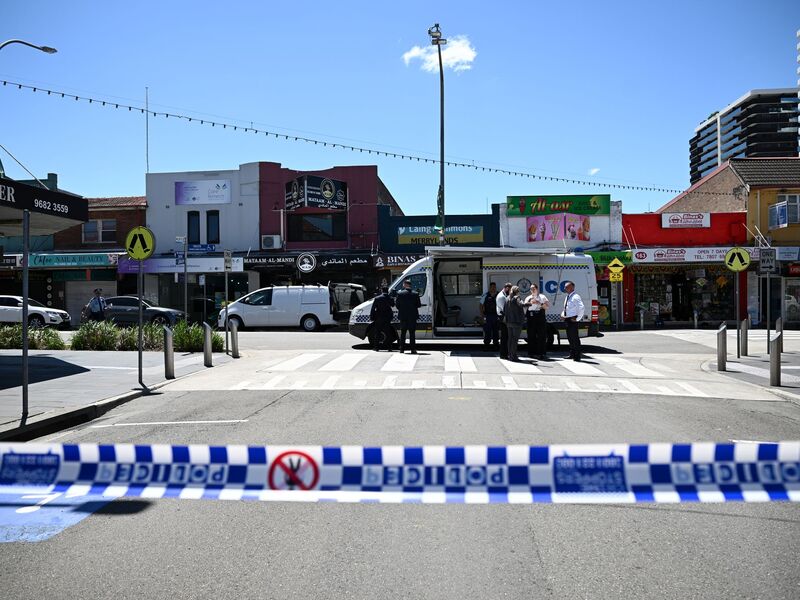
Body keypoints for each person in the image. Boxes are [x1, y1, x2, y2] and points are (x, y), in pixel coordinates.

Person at [395, 279, 421, 353]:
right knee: (412, 333)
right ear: (410, 285)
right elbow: (418, 305)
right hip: (412, 317)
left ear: (405, 284)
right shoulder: (415, 294)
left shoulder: (400, 294)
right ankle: (413, 349)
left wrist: (403, 309)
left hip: (403, 316)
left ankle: (402, 349)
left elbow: (397, 305)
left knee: (403, 333)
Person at [525, 284, 551, 360]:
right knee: (531, 335)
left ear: (537, 289)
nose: (532, 290)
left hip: (540, 316)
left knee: (542, 335)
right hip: (531, 317)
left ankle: (542, 353)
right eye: (531, 289)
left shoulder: (542, 297)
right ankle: (531, 353)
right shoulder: (528, 297)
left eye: (533, 288)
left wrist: (539, 303)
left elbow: (547, 307)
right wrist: (529, 303)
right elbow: (524, 307)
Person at [561, 281, 585, 361]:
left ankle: (577, 356)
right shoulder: (568, 296)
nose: (565, 288)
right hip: (568, 319)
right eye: (565, 287)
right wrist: (563, 315)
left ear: (572, 288)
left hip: (573, 320)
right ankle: (572, 354)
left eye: (566, 287)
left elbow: (581, 308)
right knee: (570, 338)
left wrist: (577, 319)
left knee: (574, 338)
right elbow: (566, 308)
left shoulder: (575, 297)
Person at [503, 285, 526, 361]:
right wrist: (529, 303)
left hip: (509, 322)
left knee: (510, 339)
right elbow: (521, 305)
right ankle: (513, 356)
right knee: (515, 340)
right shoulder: (517, 298)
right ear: (517, 291)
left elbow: (504, 309)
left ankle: (510, 355)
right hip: (517, 322)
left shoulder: (507, 298)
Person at [369, 286, 395, 352]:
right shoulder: (390, 298)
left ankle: (376, 347)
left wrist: (372, 317)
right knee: (388, 332)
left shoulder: (377, 298)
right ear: (387, 291)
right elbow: (393, 305)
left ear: (381, 290)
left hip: (379, 317)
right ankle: (389, 348)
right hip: (387, 318)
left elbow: (373, 308)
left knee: (377, 332)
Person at [495, 282, 512, 359]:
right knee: (504, 337)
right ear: (507, 288)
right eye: (510, 290)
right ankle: (503, 354)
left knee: (506, 336)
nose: (510, 291)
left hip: (504, 317)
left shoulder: (504, 295)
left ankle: (505, 353)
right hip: (503, 317)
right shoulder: (501, 296)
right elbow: (504, 309)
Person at [480, 282, 499, 348]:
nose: (493, 288)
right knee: (487, 331)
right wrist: (482, 316)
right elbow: (481, 305)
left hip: (496, 316)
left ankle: (495, 345)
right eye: (492, 287)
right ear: (490, 287)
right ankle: (486, 345)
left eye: (494, 287)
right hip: (488, 316)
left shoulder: (499, 295)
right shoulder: (485, 295)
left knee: (495, 331)